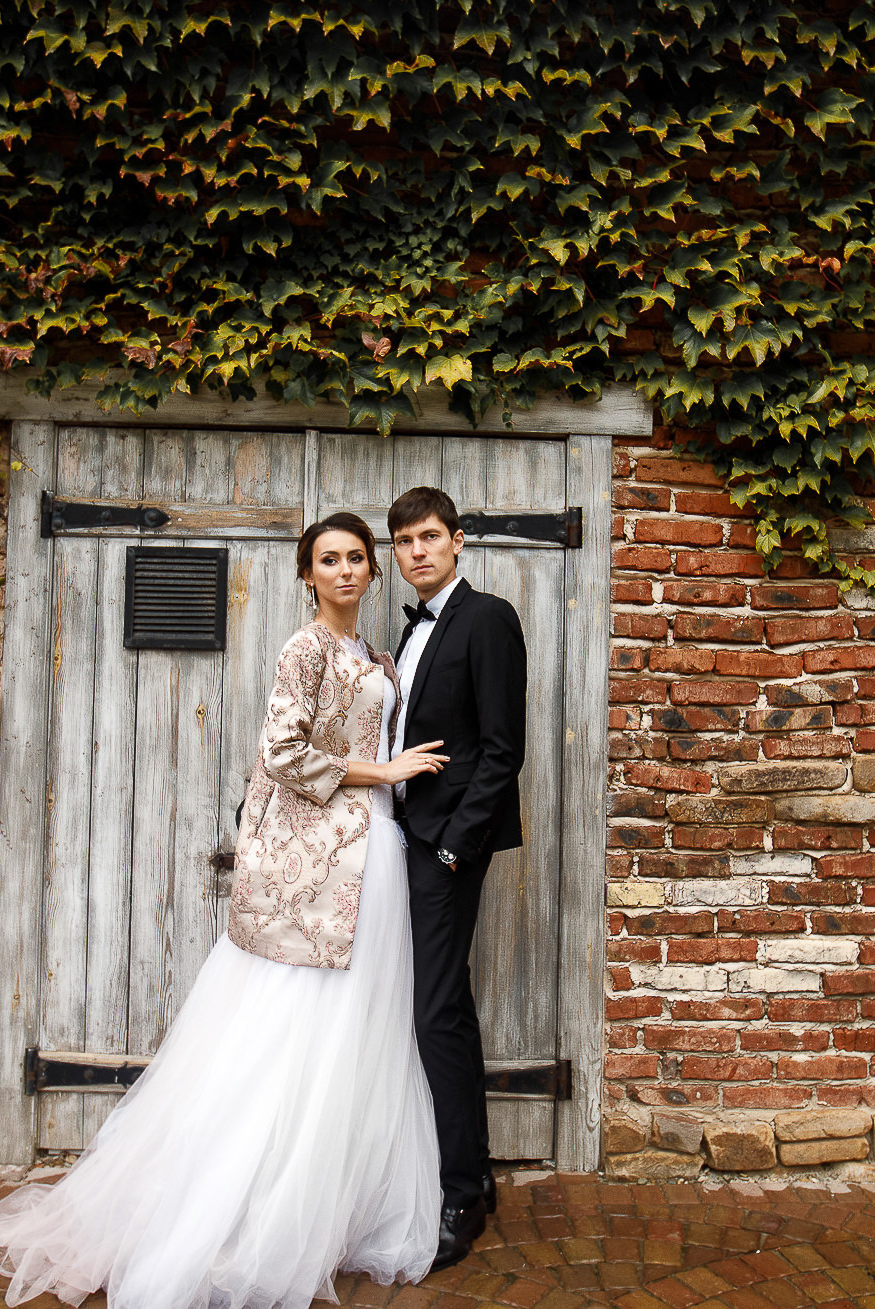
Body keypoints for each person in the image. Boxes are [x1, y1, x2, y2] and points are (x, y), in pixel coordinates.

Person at [0, 512, 448, 1308]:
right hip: (316, 866)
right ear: (307, 574)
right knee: (288, 1034)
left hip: (374, 855)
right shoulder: (306, 648)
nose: (348, 570)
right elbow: (282, 752)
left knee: (355, 1041)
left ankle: (326, 1205)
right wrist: (384, 768)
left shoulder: (372, 653)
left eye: (358, 557)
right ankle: (242, 1212)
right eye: (330, 559)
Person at [386, 486, 528, 1273]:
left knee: (436, 1013)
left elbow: (502, 748)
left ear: (459, 540)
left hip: (443, 847)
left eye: (430, 536)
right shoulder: (405, 633)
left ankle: (458, 1193)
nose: (418, 550)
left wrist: (452, 849)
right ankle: (475, 1174)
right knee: (448, 1010)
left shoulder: (487, 617)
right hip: (403, 839)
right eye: (405, 540)